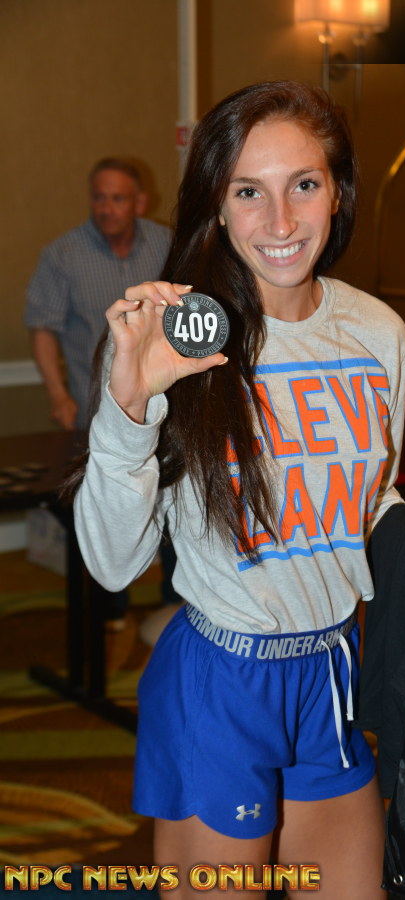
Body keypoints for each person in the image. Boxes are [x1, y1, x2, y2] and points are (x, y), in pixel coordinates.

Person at [67, 82, 405, 898]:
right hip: (222, 679)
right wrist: (128, 407)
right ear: (217, 206)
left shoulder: (377, 332)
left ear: (338, 192)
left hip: (330, 671)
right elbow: (113, 564)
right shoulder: (175, 340)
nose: (281, 220)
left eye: (304, 184)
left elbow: (370, 502)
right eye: (248, 191)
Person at [24, 158, 177, 627]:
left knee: (172, 505)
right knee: (103, 512)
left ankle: (175, 603)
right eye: (99, 197)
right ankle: (110, 613)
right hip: (95, 413)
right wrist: (58, 395)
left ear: (140, 202)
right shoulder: (63, 254)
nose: (106, 207)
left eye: (117, 198)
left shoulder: (166, 244)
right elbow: (42, 329)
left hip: (166, 409)